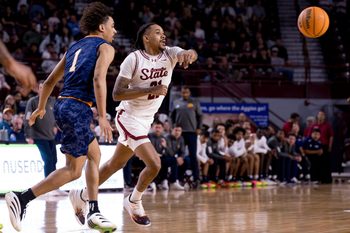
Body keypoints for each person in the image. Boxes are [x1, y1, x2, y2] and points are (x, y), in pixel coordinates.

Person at [69, 22, 197, 227]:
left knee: (115, 164)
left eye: (164, 33)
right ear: (146, 38)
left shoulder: (171, 54)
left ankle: (82, 194)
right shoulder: (134, 59)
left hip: (146, 120)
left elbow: (189, 53)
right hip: (128, 116)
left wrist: (190, 53)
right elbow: (117, 93)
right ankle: (134, 200)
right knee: (155, 163)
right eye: (157, 33)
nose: (162, 36)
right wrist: (148, 89)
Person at [5, 2, 117, 232]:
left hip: (64, 104)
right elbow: (98, 80)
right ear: (102, 27)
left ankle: (88, 203)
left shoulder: (74, 47)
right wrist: (104, 116)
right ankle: (22, 198)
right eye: (113, 26)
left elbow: (48, 82)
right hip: (77, 107)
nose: (115, 31)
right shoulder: (105, 47)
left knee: (94, 153)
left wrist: (42, 108)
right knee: (73, 170)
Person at [24, 81, 62, 186]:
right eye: (41, 87)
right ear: (38, 89)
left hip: (51, 136)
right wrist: (28, 135)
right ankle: (48, 186)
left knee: (54, 160)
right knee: (48, 160)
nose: (44, 90)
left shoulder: (52, 101)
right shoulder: (32, 102)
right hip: (39, 136)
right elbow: (27, 119)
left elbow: (56, 115)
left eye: (46, 87)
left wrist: (55, 126)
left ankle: (54, 186)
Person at [171, 86, 203, 186]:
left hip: (192, 132)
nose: (185, 94)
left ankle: (196, 178)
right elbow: (172, 116)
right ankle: (179, 178)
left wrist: (199, 127)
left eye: (186, 92)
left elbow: (200, 116)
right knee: (180, 155)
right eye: (183, 92)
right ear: (181, 93)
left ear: (189, 93)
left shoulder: (195, 102)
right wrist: (173, 127)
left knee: (193, 156)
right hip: (180, 133)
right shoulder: (176, 102)